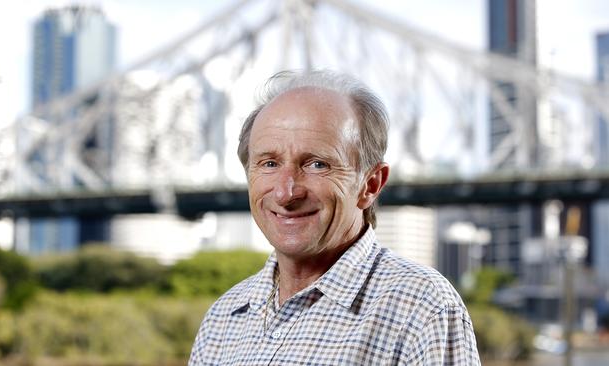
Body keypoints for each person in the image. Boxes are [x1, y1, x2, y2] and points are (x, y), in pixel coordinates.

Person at [189, 70, 480, 365]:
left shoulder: (422, 308)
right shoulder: (223, 319)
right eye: (269, 163)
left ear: (371, 185)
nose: (286, 193)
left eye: (317, 164)